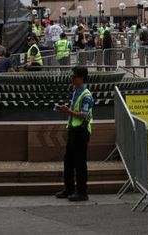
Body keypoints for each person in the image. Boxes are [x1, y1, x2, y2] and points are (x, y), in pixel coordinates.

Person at [54, 66, 93, 202]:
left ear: (81, 78)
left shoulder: (86, 95)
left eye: (74, 76)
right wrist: (64, 108)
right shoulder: (76, 91)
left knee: (80, 162)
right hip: (73, 130)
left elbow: (83, 115)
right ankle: (69, 189)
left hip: (81, 132)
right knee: (68, 161)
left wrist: (67, 111)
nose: (71, 78)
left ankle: (82, 192)